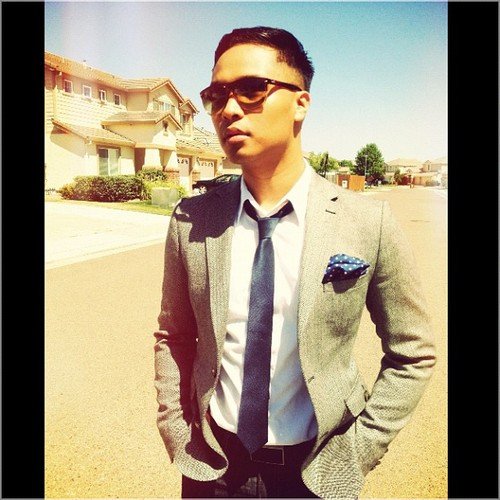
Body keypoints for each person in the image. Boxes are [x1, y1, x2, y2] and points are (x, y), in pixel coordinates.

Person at [154, 26, 436, 499]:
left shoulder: (367, 221)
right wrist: (177, 429)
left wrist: (358, 451)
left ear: (301, 103)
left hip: (316, 472)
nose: (229, 109)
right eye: (217, 95)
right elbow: (173, 335)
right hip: (213, 468)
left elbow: (413, 352)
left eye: (252, 89)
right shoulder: (192, 219)